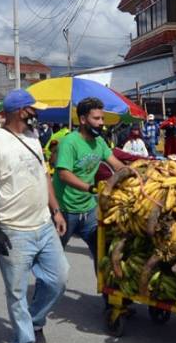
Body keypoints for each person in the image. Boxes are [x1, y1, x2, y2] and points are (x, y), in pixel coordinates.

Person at [0, 89, 69, 343]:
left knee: (59, 278)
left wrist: (56, 210)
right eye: (32, 109)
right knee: (16, 291)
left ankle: (36, 322)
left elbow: (44, 176)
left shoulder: (33, 138)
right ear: (19, 111)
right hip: (14, 230)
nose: (37, 113)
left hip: (43, 225)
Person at [53, 98, 125, 267]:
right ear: (83, 120)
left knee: (102, 256)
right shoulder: (70, 142)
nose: (101, 123)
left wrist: (134, 175)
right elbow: (64, 174)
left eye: (102, 119)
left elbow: (116, 164)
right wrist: (91, 188)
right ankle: (46, 290)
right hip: (65, 210)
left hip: (89, 210)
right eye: (96, 118)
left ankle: (106, 293)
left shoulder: (99, 142)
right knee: (54, 260)